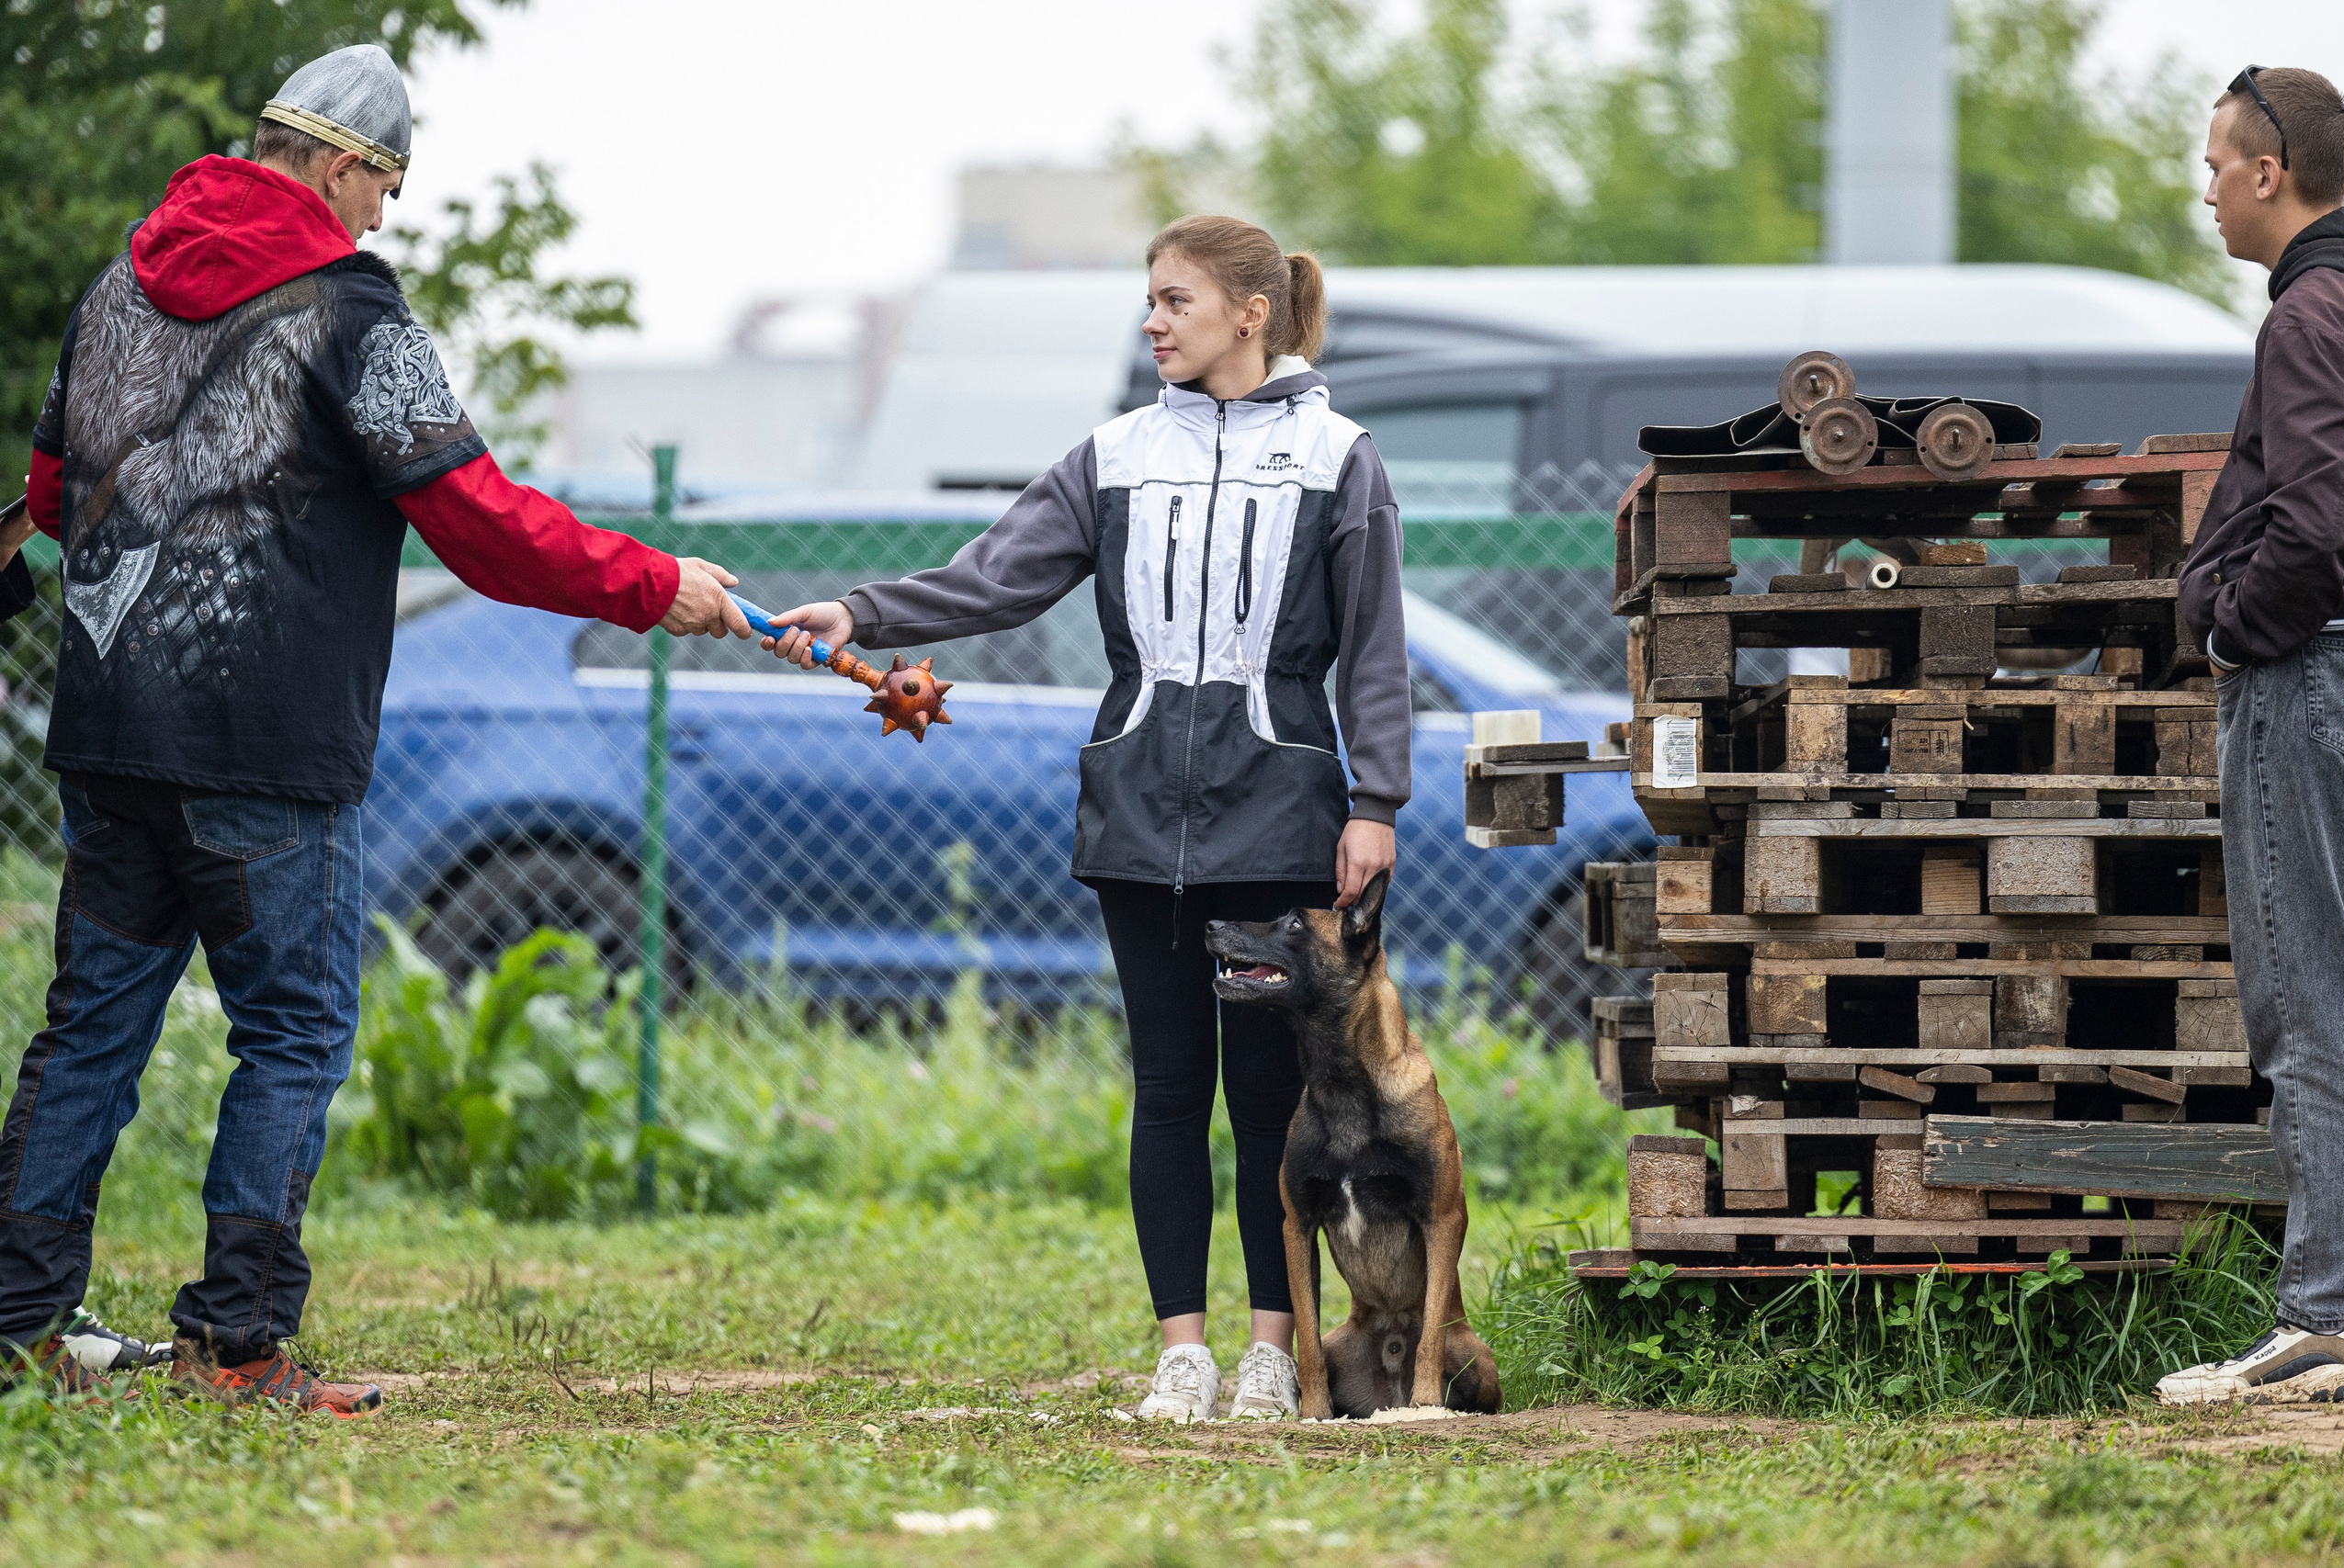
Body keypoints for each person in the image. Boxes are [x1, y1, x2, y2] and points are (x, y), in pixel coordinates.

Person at [0, 44, 753, 1413]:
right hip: (264, 743)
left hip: (106, 729)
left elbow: (53, 493)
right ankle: (234, 1351)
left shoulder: (118, 285)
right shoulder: (352, 309)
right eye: (385, 188)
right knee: (290, 1035)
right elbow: (473, 517)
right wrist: (656, 586)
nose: (383, 218)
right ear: (342, 165)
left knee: (91, 1030)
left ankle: (17, 1326)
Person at [765, 216, 1410, 1421]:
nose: (1154, 321)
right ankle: (1183, 1354)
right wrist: (863, 611)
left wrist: (1375, 802)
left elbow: (1376, 646)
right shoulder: (1112, 455)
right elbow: (995, 574)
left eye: (1175, 300)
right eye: (1150, 302)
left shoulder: (1338, 456)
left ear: (1250, 312)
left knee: (1271, 1102)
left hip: (1282, 820)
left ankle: (1277, 1355)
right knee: (1168, 1088)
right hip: (1136, 817)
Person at [2164, 66, 2344, 1404]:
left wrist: (2233, 630)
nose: (2209, 189)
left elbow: (2319, 525)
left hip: (2307, 683)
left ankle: (2328, 1315)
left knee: (2307, 1000)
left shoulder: (2308, 315)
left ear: (2270, 172)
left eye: (2218, 165)